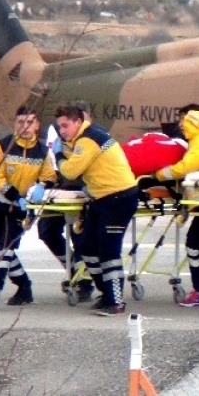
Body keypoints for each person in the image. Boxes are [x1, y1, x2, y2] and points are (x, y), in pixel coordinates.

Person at [52, 104, 139, 315]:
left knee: (108, 251)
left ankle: (115, 301)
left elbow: (71, 171)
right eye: (59, 127)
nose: (62, 131)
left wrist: (59, 156)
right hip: (102, 198)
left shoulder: (88, 139)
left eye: (65, 125)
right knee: (87, 246)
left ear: (78, 122)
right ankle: (106, 293)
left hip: (118, 198)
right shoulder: (87, 137)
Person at [0, 105, 57, 308]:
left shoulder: (43, 151)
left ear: (37, 125)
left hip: (23, 210)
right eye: (21, 122)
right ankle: (24, 287)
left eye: (30, 122)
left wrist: (41, 187)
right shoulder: (1, 146)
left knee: (5, 248)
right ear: (15, 124)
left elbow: (49, 176)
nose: (25, 126)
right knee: (3, 250)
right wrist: (15, 195)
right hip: (1, 204)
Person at [154, 109, 199, 307]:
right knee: (198, 247)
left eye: (184, 123)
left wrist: (159, 174)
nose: (181, 126)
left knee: (196, 246)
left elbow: (186, 167)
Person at [39, 99, 96, 301]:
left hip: (83, 190)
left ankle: (85, 282)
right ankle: (74, 269)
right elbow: (49, 158)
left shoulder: (94, 137)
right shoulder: (57, 132)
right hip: (59, 188)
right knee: (46, 231)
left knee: (79, 235)